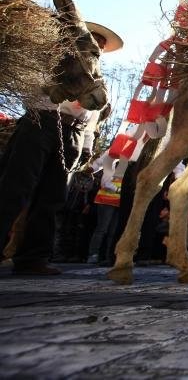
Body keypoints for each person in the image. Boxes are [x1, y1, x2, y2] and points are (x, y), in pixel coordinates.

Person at [0, 22, 122, 275]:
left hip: (74, 133)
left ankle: (33, 258)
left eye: (100, 46)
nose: (97, 47)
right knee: (16, 188)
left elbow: (91, 118)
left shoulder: (96, 78)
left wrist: (87, 146)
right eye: (93, 42)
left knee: (53, 198)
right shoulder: (53, 60)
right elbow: (31, 90)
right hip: (41, 121)